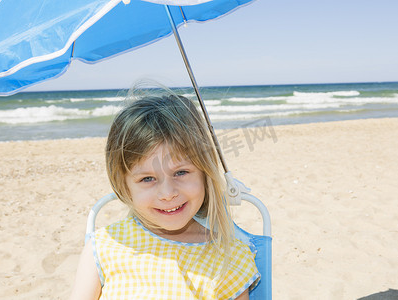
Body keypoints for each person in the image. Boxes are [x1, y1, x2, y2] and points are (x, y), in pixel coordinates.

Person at [70, 92, 260, 299]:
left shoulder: (229, 257)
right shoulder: (105, 246)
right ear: (124, 186)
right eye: (147, 179)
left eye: (181, 172)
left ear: (205, 173)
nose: (168, 194)